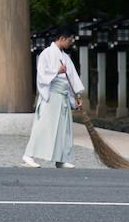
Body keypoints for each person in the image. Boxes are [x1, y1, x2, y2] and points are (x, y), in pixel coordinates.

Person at [21, 32, 85, 168]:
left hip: (64, 96)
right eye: (70, 40)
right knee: (43, 127)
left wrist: (76, 98)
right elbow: (42, 76)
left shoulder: (66, 57)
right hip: (51, 95)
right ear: (62, 38)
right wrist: (57, 71)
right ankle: (28, 155)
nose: (71, 42)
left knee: (63, 129)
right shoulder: (46, 53)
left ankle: (61, 159)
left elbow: (72, 79)